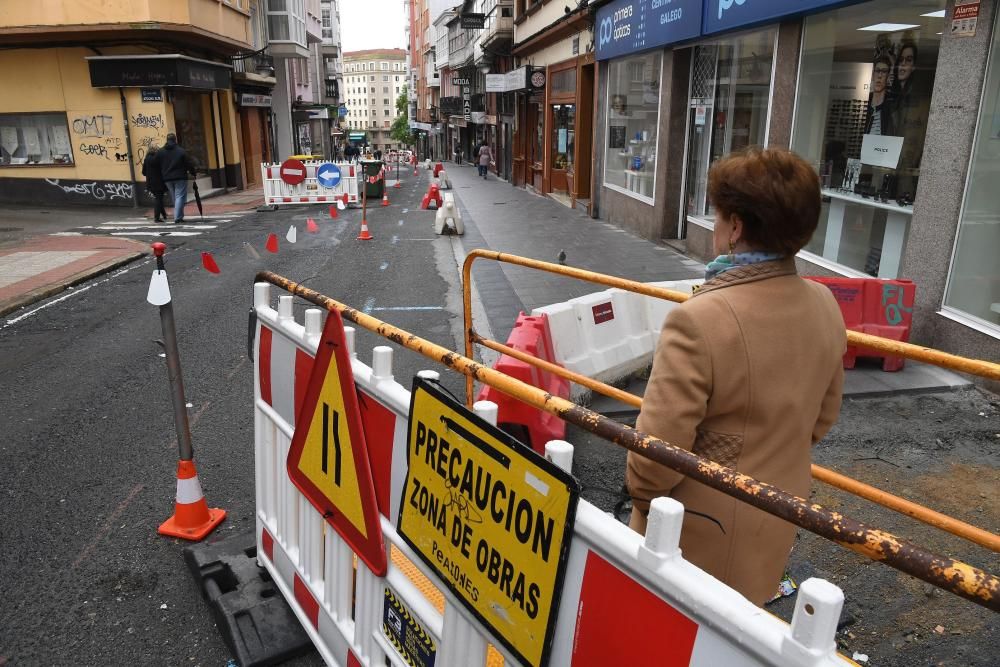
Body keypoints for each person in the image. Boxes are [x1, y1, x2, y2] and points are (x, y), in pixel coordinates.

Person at [625, 147, 846, 606]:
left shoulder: (700, 320)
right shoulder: (824, 304)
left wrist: (645, 504)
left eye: (718, 217)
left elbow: (652, 463)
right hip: (778, 511)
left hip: (697, 532)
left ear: (736, 229)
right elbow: (821, 420)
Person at [158, 133, 197, 224]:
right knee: (180, 196)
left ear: (167, 140)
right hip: (180, 177)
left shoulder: (160, 152)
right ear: (175, 140)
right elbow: (188, 163)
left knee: (174, 196)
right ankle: (177, 217)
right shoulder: (181, 151)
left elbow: (156, 164)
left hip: (167, 178)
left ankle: (180, 216)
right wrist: (193, 173)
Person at [864, 55, 894, 136]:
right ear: (873, 74)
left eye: (884, 71)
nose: (880, 76)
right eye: (877, 71)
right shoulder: (865, 104)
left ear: (888, 77)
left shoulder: (891, 108)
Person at [141, 145, 166, 223]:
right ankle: (157, 217)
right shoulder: (157, 159)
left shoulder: (146, 159)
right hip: (159, 182)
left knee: (159, 199)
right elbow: (163, 169)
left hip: (150, 183)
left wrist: (149, 174)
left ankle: (164, 214)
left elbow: (143, 172)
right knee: (158, 199)